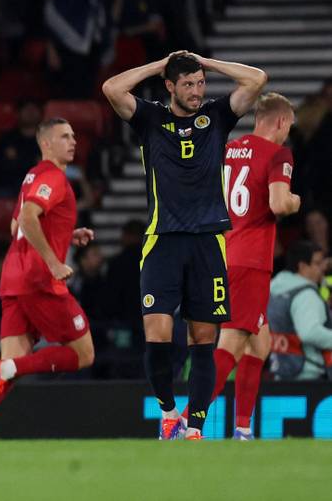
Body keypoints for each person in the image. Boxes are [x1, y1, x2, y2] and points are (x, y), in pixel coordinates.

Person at [102, 51, 267, 439]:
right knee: (157, 336)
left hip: (208, 242)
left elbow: (257, 79)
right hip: (163, 241)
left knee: (203, 341)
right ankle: (168, 413)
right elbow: (111, 88)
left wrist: (208, 62)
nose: (197, 91)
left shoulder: (217, 116)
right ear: (170, 86)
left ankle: (194, 429)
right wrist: (159, 64)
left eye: (200, 83)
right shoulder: (150, 119)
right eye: (188, 84)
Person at [0, 118, 97, 442]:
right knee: (83, 354)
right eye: (64, 136)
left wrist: (64, 234)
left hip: (13, 278)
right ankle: (4, 370)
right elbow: (29, 218)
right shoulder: (53, 177)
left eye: (74, 136)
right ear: (46, 143)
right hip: (39, 280)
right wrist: (53, 261)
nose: (73, 141)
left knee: (12, 364)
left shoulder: (32, 175)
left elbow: (15, 226)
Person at [197, 93, 299, 439]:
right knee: (231, 342)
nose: (287, 133)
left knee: (260, 343)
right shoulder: (278, 154)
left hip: (223, 254)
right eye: (288, 127)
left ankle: (242, 429)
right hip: (250, 260)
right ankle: (187, 422)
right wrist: (295, 201)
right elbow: (279, 204)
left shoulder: (229, 150)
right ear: (281, 122)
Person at [268, 241, 332, 381]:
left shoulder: (274, 289)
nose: (322, 268)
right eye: (317, 263)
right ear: (302, 266)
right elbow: (310, 332)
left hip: (280, 373)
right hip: (310, 376)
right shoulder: (306, 295)